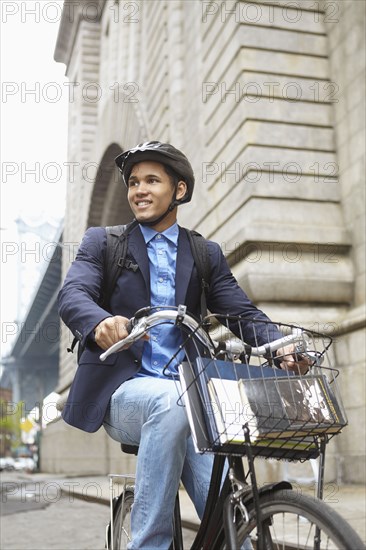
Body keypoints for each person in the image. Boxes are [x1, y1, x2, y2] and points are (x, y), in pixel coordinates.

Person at [58, 141, 309, 549]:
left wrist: (280, 345)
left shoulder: (204, 252)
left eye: (151, 180)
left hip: (194, 399)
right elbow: (73, 295)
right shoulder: (104, 242)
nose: (138, 190)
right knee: (170, 403)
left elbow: (240, 313)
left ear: (178, 190)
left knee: (231, 519)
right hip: (125, 390)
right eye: (134, 182)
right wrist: (100, 321)